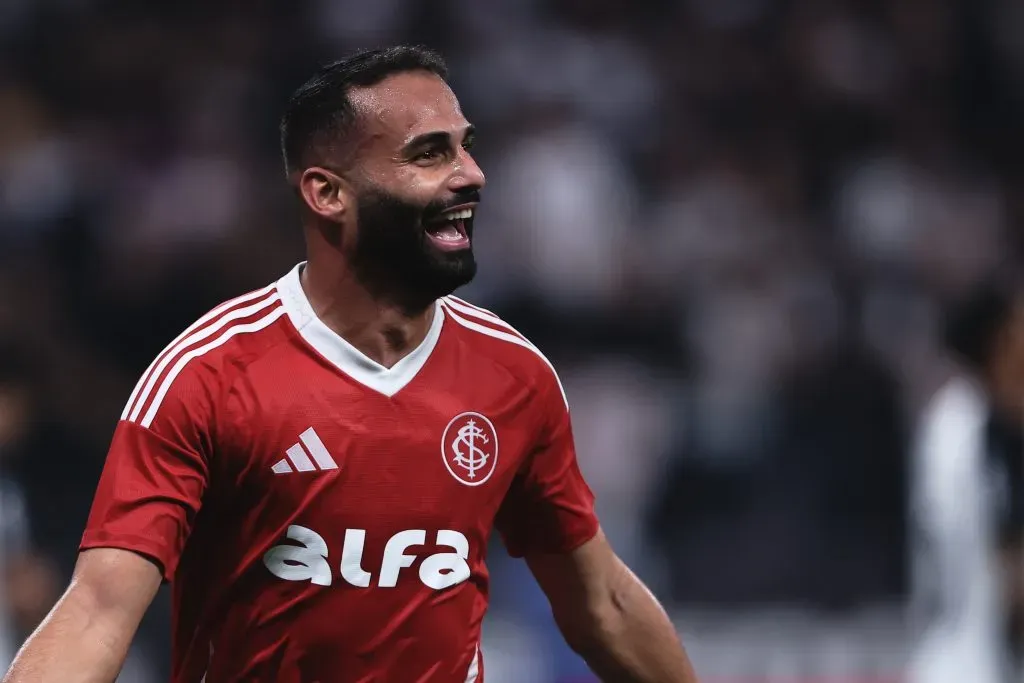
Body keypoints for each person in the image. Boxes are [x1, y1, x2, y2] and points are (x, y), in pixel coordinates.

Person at [2, 46, 697, 683]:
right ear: (327, 193)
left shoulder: (514, 376)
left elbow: (602, 603)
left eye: (466, 147)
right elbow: (96, 612)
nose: (471, 175)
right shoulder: (209, 373)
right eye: (429, 154)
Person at [908, 279, 1024, 683]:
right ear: (997, 346)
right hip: (971, 656)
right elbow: (992, 556)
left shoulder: (963, 419)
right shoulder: (966, 426)